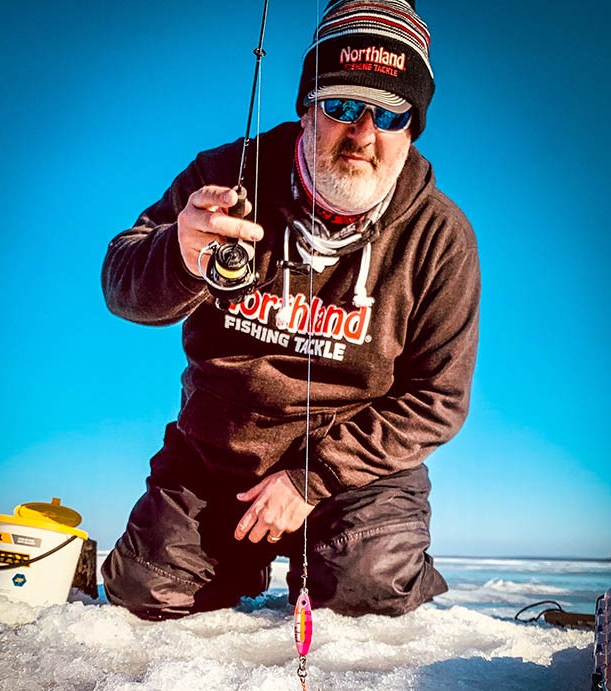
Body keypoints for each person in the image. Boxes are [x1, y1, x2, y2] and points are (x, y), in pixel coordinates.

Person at [101, 0, 480, 620]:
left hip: (357, 471)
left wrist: (312, 480)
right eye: (343, 105)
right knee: (144, 599)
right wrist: (180, 253)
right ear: (307, 107)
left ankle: (363, 562)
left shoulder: (442, 237)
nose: (362, 134)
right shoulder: (222, 175)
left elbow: (437, 399)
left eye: (389, 114)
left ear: (413, 127)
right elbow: (121, 281)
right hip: (217, 457)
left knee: (367, 595)